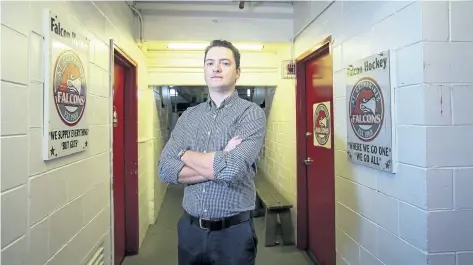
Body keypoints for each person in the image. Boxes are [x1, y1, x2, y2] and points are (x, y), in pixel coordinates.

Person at [158, 39, 267, 265]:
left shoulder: (251, 114)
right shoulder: (189, 116)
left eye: (225, 63)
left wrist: (183, 152)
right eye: (210, 63)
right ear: (204, 71)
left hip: (233, 234)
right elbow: (165, 170)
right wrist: (220, 158)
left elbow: (233, 169)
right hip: (190, 231)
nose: (216, 68)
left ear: (237, 72)